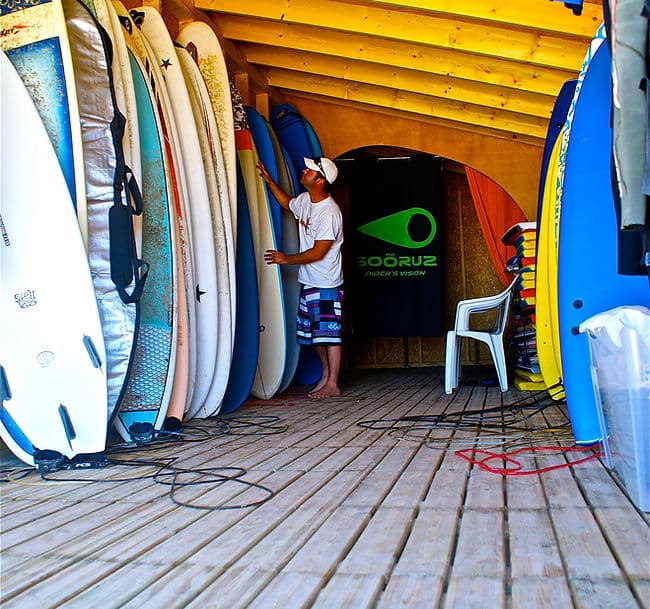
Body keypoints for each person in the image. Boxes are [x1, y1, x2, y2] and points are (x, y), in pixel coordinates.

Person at [258, 156, 344, 399]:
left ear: (320, 180)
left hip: (327, 282)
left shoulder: (329, 212)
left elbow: (319, 251)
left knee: (330, 334)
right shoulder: (306, 200)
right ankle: (326, 377)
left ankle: (334, 384)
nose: (304, 170)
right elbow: (288, 204)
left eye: (311, 170)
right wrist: (269, 181)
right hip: (309, 281)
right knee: (317, 335)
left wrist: (287, 259)